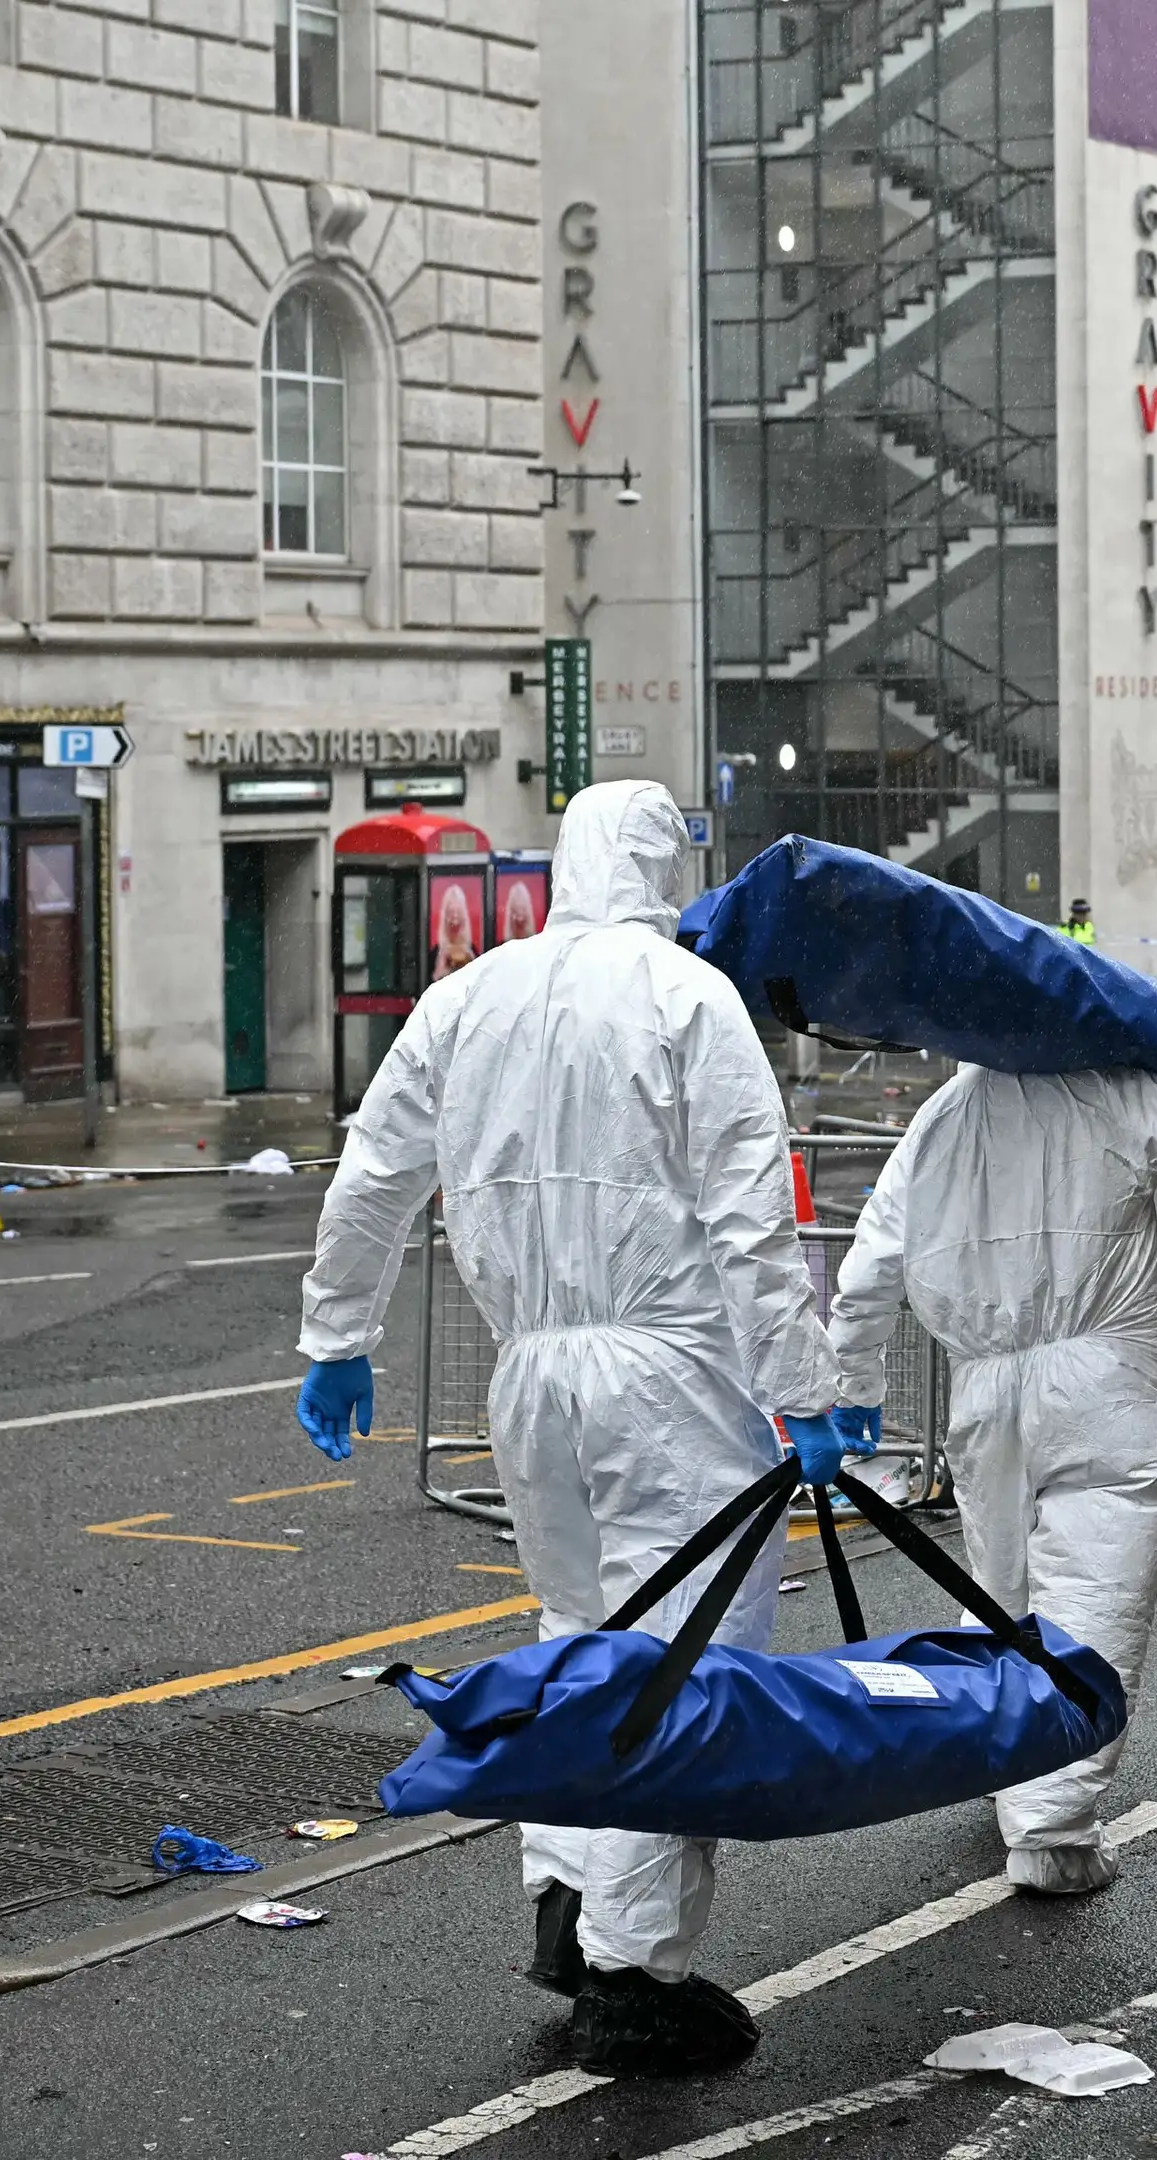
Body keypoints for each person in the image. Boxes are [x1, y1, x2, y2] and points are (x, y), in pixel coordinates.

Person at [292, 780, 853, 2078]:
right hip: (673, 1383)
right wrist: (808, 1393)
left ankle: (565, 1897)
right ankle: (632, 1975)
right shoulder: (686, 998)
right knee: (680, 1671)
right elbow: (750, 1225)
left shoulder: (470, 996)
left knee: (576, 1647)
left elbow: (376, 1171)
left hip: (528, 1377)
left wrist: (337, 1340)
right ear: (663, 871)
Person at [827, 1057, 1157, 1893]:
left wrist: (854, 1383)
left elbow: (871, 1263)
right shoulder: (1105, 1096)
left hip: (984, 1389)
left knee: (1001, 1596)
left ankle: (1001, 1755)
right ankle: (1051, 1830)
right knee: (1093, 1598)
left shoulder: (938, 1120)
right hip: (1103, 1381)